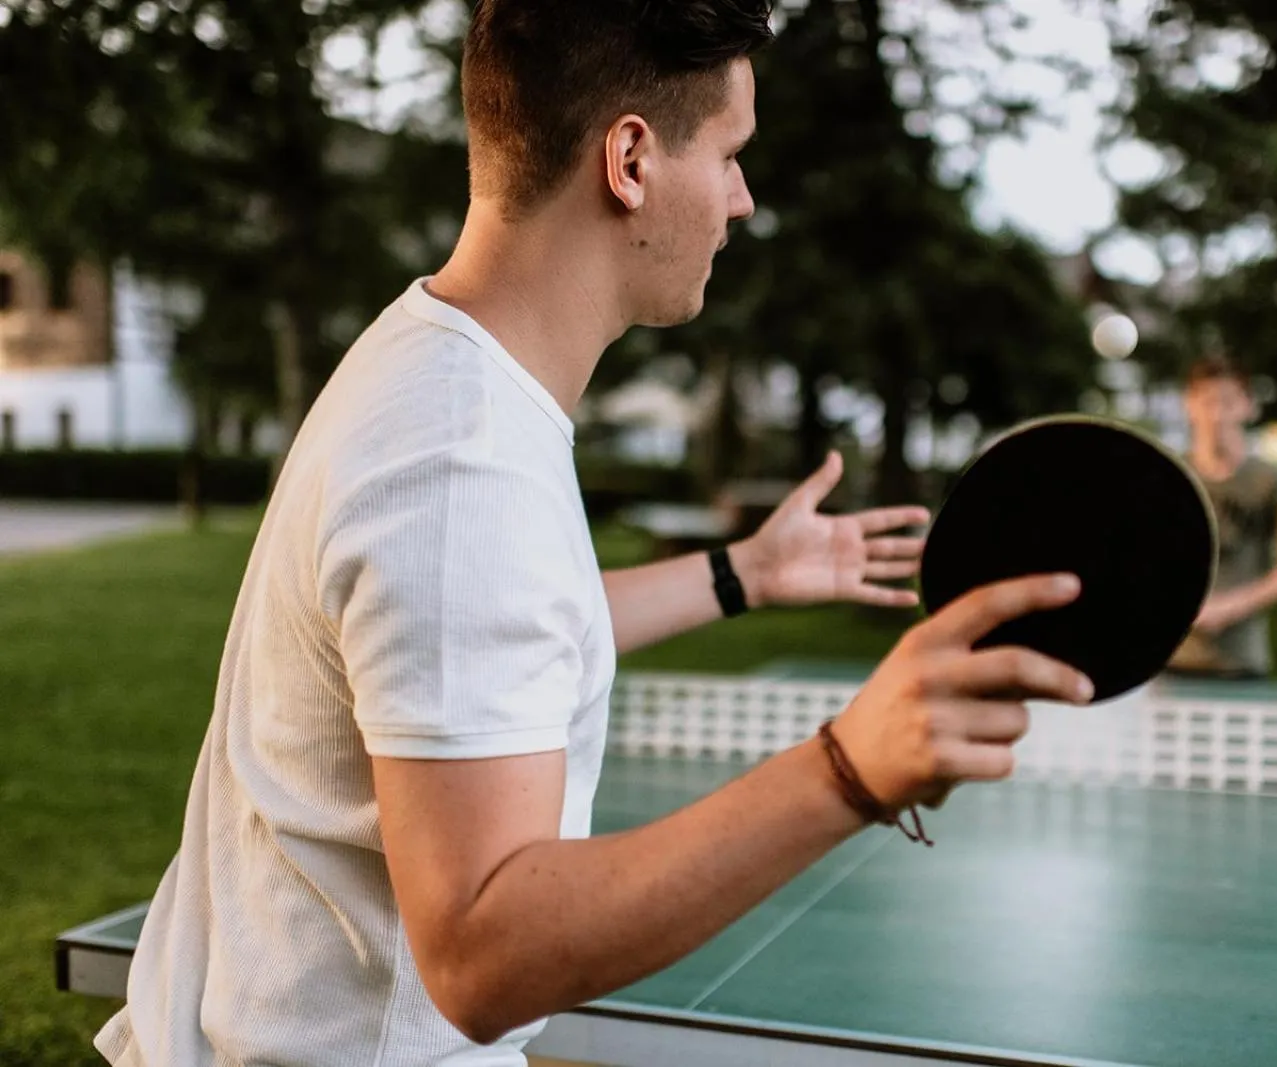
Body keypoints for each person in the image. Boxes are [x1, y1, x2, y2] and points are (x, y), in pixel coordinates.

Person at [93, 3, 1093, 1065]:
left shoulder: (435, 360)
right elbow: (484, 951)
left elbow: (472, 636)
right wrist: (850, 767)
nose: (743, 199)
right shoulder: (459, 459)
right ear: (629, 159)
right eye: (729, 154)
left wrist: (740, 573)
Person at [1167, 354, 1277, 679]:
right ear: (1188, 405)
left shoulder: (1273, 480)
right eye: (1207, 401)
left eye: (1228, 401)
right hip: (1169, 658)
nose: (1218, 414)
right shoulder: (1169, 476)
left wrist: (1230, 606)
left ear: (1249, 406)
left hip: (1241, 662)